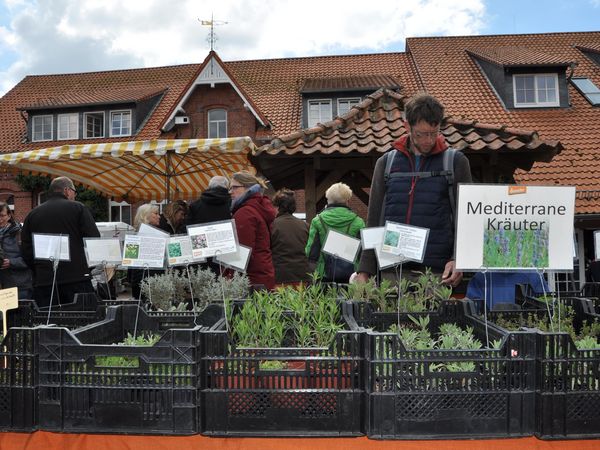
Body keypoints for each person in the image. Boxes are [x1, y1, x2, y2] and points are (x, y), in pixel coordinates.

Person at [355, 92, 472, 286]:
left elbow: (466, 217)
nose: (428, 140)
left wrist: (458, 258)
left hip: (435, 272)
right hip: (391, 271)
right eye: (421, 134)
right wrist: (365, 269)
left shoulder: (455, 162)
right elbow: (374, 217)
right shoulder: (386, 163)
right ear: (407, 126)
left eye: (433, 133)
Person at [21, 176, 100, 307]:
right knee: (83, 321)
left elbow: (26, 249)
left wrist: (38, 269)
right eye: (74, 192)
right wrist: (86, 267)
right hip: (76, 278)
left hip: (45, 281)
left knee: (48, 322)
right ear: (67, 190)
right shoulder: (78, 208)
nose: (74, 195)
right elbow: (94, 239)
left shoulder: (32, 214)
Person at [306, 182, 365, 283]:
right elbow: (363, 253)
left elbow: (311, 252)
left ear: (328, 200)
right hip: (352, 276)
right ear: (348, 200)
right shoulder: (358, 222)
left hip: (324, 276)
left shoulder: (318, 221)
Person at [229, 171, 276, 290]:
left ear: (247, 188)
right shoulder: (258, 207)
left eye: (234, 187)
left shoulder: (245, 212)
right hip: (262, 274)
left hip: (251, 279)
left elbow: (242, 251)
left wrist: (229, 277)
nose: (230, 192)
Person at [270, 189, 310, 284]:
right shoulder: (305, 225)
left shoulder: (272, 225)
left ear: (277, 207)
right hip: (302, 276)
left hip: (280, 277)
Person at [128, 203, 163, 299]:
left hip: (149, 280)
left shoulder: (138, 235)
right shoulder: (136, 237)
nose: (159, 217)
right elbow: (131, 261)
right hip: (144, 281)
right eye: (155, 214)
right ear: (145, 215)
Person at [0, 202, 33, 299]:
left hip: (19, 287)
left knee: (20, 314)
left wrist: (11, 262)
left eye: (2, 216)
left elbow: (30, 258)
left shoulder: (19, 234)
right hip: (2, 286)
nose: (0, 219)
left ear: (9, 215)